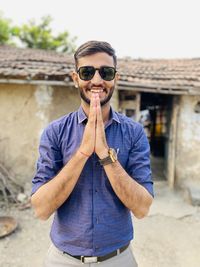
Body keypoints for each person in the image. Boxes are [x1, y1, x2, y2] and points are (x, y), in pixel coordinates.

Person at [31, 40, 154, 267]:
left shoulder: (134, 133)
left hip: (118, 259)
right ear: (76, 78)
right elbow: (41, 208)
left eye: (105, 72)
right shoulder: (55, 132)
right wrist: (83, 153)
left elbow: (142, 208)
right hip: (63, 259)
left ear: (115, 77)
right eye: (87, 72)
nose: (97, 80)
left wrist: (106, 156)